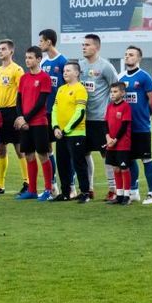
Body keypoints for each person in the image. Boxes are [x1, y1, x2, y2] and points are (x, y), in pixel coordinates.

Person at [80, 34, 121, 200]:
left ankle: (113, 189)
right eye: (83, 44)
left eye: (87, 45)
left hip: (101, 119)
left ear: (96, 47)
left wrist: (112, 112)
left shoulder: (105, 67)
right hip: (83, 119)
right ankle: (88, 188)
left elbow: (117, 88)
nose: (83, 47)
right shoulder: (80, 66)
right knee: (84, 153)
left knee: (106, 153)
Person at [15, 46, 54, 201]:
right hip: (25, 123)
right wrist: (20, 118)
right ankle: (31, 190)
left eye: (31, 57)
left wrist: (26, 118)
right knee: (29, 155)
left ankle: (48, 190)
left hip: (38, 122)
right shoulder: (23, 78)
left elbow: (41, 103)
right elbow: (18, 100)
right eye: (26, 57)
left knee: (43, 155)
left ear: (39, 59)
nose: (27, 60)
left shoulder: (44, 78)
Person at [119, 45, 152, 204]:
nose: (128, 57)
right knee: (129, 159)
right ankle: (133, 191)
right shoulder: (121, 78)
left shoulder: (144, 77)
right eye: (126, 54)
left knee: (146, 159)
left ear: (139, 58)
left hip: (141, 126)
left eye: (132, 55)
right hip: (126, 128)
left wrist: (145, 115)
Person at [52, 61, 90, 203]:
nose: (65, 73)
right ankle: (66, 192)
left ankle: (85, 192)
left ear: (77, 73)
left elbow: (79, 112)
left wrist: (66, 129)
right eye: (64, 71)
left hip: (75, 134)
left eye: (68, 70)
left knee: (79, 163)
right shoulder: (61, 89)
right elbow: (55, 109)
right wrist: (55, 127)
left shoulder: (80, 89)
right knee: (62, 163)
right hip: (60, 133)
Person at [0, 39, 25, 194]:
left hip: (13, 111)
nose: (0, 51)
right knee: (0, 148)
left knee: (19, 147)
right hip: (0, 112)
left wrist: (21, 114)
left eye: (3, 49)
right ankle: (0, 184)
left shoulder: (17, 70)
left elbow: (22, 93)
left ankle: (27, 181)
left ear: (11, 51)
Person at [39, 28, 67, 194]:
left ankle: (70, 185)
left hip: (60, 113)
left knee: (65, 150)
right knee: (47, 149)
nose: (39, 44)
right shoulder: (42, 63)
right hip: (45, 112)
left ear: (49, 42)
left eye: (41, 41)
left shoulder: (63, 62)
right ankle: (53, 184)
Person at [104, 82, 134, 205]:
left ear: (122, 93)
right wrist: (107, 138)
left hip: (122, 144)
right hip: (110, 143)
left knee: (123, 168)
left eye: (115, 92)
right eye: (111, 92)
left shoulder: (125, 106)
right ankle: (119, 195)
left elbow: (124, 125)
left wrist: (115, 139)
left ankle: (127, 195)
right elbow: (105, 123)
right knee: (115, 168)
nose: (112, 94)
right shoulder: (110, 106)